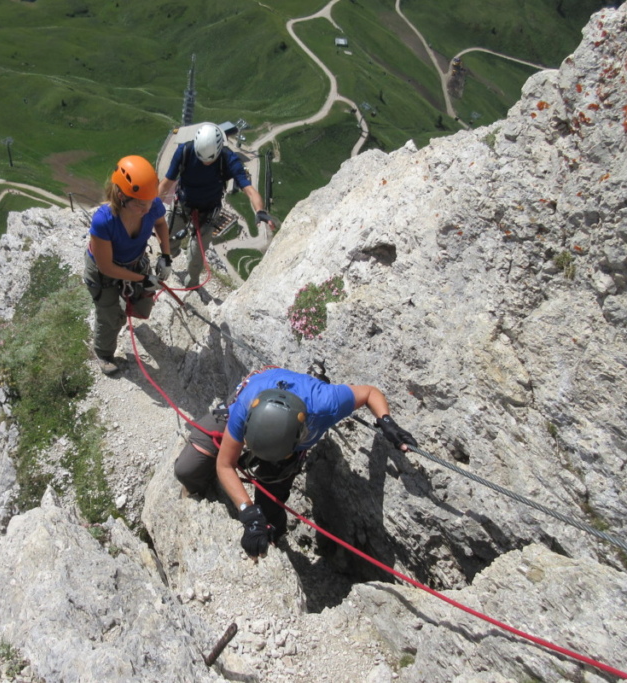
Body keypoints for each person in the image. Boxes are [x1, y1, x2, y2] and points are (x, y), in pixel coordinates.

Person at [174, 367, 418, 558]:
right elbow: (225, 464)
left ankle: (274, 536)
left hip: (289, 441)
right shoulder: (246, 406)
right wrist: (247, 512)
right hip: (257, 399)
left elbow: (369, 393)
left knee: (270, 503)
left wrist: (386, 422)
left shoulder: (325, 403)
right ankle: (199, 485)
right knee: (187, 468)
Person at [83, 155, 173, 375]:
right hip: (104, 272)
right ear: (122, 196)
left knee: (143, 306)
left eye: (149, 201)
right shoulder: (104, 221)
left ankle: (123, 309)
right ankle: (103, 353)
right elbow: (107, 268)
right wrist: (143, 279)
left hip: (134, 262)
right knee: (109, 315)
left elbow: (160, 224)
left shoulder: (152, 205)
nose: (146, 208)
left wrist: (166, 256)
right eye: (139, 203)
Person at [157, 122, 277, 287]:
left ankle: (191, 283)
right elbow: (167, 182)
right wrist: (153, 205)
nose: (206, 162)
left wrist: (260, 210)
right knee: (168, 240)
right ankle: (171, 254)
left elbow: (248, 188)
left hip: (208, 212)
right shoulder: (185, 151)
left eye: (210, 160)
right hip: (183, 205)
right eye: (202, 158)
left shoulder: (228, 159)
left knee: (196, 255)